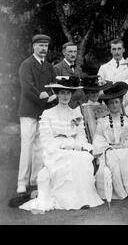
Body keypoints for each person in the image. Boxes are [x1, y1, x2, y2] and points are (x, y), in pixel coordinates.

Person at [19, 76, 104, 212]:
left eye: (68, 93)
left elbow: (81, 136)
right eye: (62, 93)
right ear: (57, 94)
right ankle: (67, 200)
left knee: (82, 158)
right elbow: (46, 140)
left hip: (73, 145)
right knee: (69, 158)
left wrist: (78, 146)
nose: (65, 96)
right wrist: (64, 146)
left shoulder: (75, 113)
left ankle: (82, 199)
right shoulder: (48, 114)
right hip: (55, 149)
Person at [93, 82, 128, 199]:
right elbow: (98, 141)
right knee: (114, 158)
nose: (114, 105)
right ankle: (121, 190)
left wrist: (125, 145)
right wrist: (110, 147)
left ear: (120, 103)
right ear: (107, 105)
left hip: (124, 149)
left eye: (116, 102)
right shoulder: (102, 122)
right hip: (110, 151)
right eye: (111, 103)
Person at [17, 34, 56, 195]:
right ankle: (22, 182)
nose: (43, 49)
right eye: (40, 45)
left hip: (44, 111)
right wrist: (42, 95)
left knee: (40, 146)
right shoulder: (26, 64)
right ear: (33, 47)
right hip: (29, 110)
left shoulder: (49, 66)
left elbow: (53, 85)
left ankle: (35, 179)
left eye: (45, 46)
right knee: (27, 146)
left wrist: (53, 94)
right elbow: (27, 87)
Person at [53, 42, 85, 108]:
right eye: (70, 52)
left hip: (80, 105)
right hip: (66, 106)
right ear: (64, 53)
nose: (73, 54)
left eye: (75, 52)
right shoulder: (57, 68)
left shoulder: (79, 69)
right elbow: (55, 90)